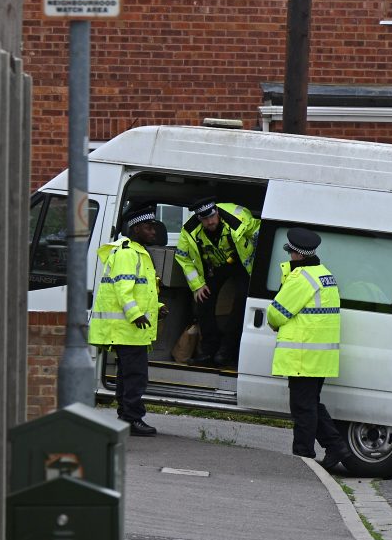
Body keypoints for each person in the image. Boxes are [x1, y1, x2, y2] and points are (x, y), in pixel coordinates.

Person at [269, 228, 353, 474]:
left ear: (297, 255)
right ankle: (336, 447)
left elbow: (276, 313)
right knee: (310, 404)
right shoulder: (325, 275)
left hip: (304, 355)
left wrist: (275, 323)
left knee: (302, 408)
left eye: (291, 253)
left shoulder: (302, 278)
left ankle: (303, 458)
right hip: (320, 356)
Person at [91, 206, 164, 437]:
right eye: (149, 227)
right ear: (136, 229)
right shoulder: (127, 253)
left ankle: (126, 417)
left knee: (127, 375)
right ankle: (132, 419)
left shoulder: (136, 251)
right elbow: (123, 290)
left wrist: (158, 308)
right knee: (135, 376)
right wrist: (135, 315)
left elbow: (144, 292)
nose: (154, 231)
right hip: (128, 328)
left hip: (130, 329)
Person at [174, 197, 260, 367]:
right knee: (203, 300)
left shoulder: (237, 219)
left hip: (243, 264)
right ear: (199, 219)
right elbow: (182, 257)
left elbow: (260, 232)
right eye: (205, 219)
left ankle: (226, 351)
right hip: (217, 266)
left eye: (212, 216)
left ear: (217, 212)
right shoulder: (190, 230)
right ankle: (208, 351)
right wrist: (198, 285)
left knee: (242, 301)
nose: (210, 221)